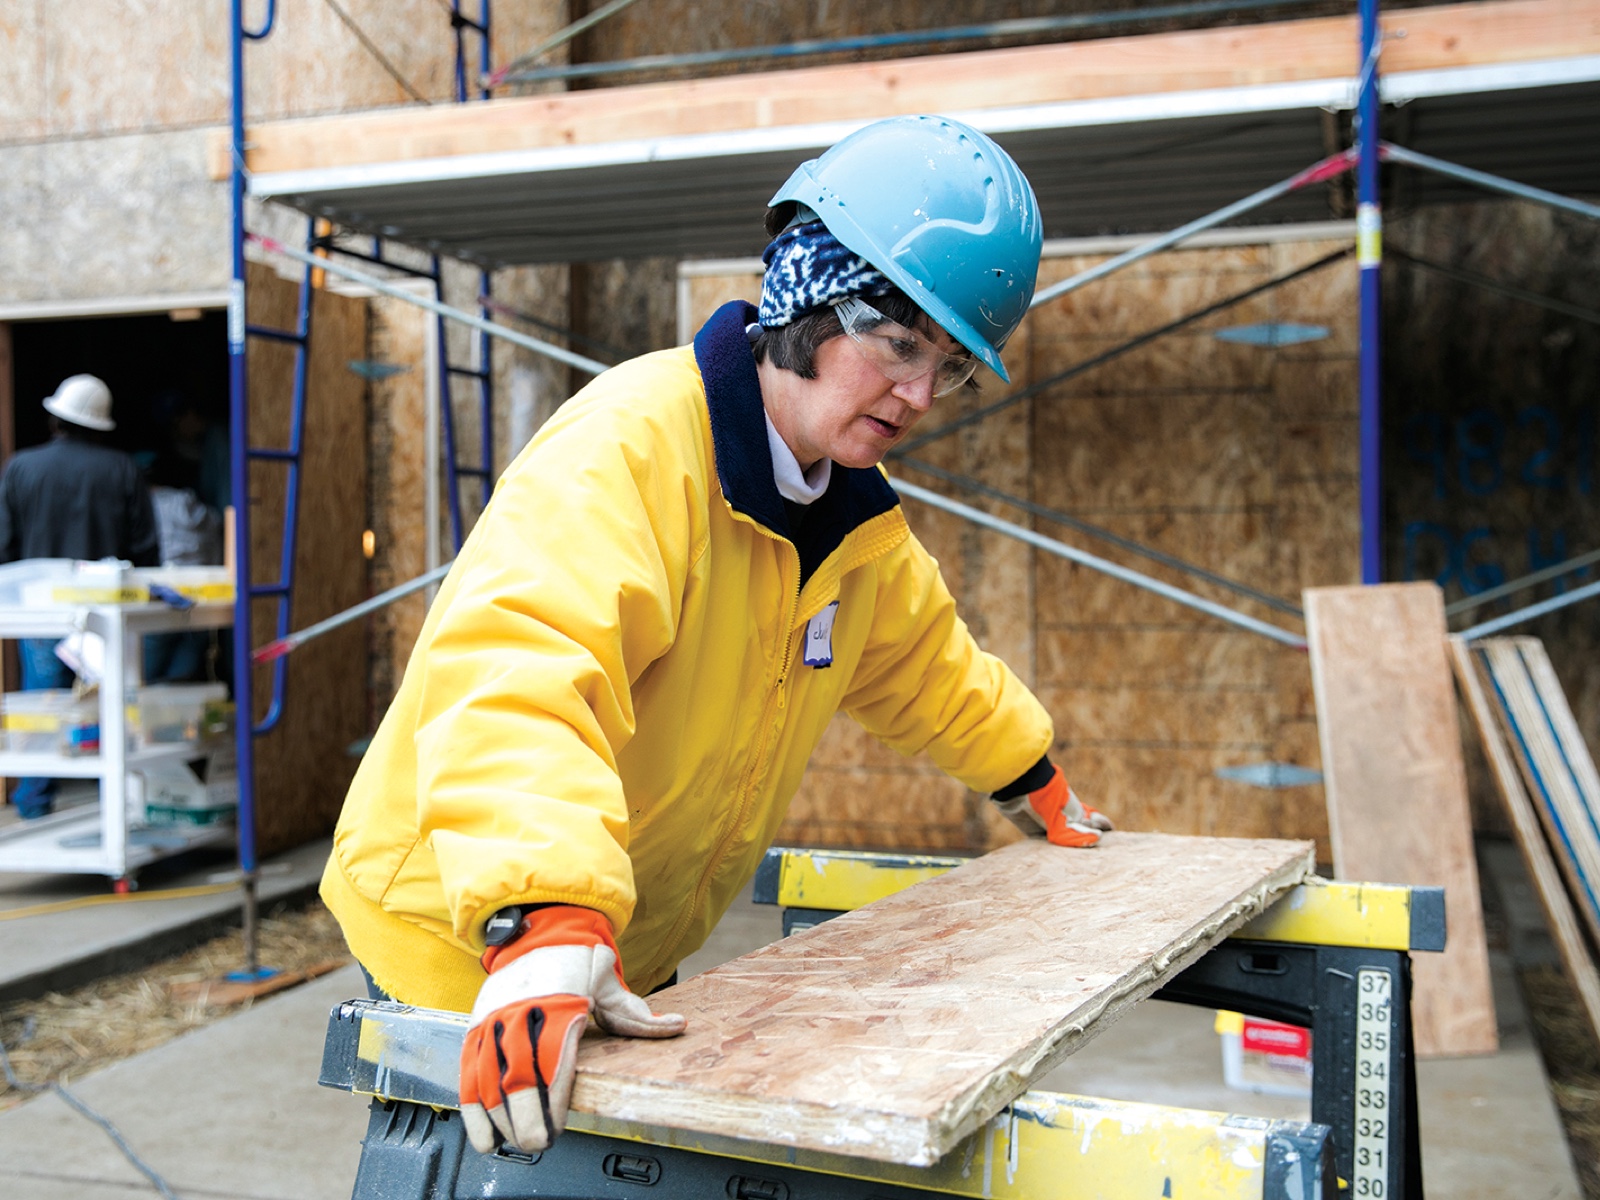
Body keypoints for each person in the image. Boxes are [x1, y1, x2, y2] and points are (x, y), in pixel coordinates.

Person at [319, 115, 1113, 1156]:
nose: (920, 394)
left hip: (612, 939)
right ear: (804, 297)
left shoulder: (852, 523)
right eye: (900, 342)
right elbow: (521, 671)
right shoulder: (633, 447)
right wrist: (544, 914)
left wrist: (1033, 777)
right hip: (476, 929)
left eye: (951, 364)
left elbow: (930, 669)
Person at [0, 374, 160, 818]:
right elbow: (146, 549)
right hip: (107, 612)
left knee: (46, 705)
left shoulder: (21, 467)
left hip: (40, 609)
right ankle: (117, 804)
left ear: (55, 419)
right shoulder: (123, 470)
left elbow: (5, 547)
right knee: (113, 704)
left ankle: (33, 800)